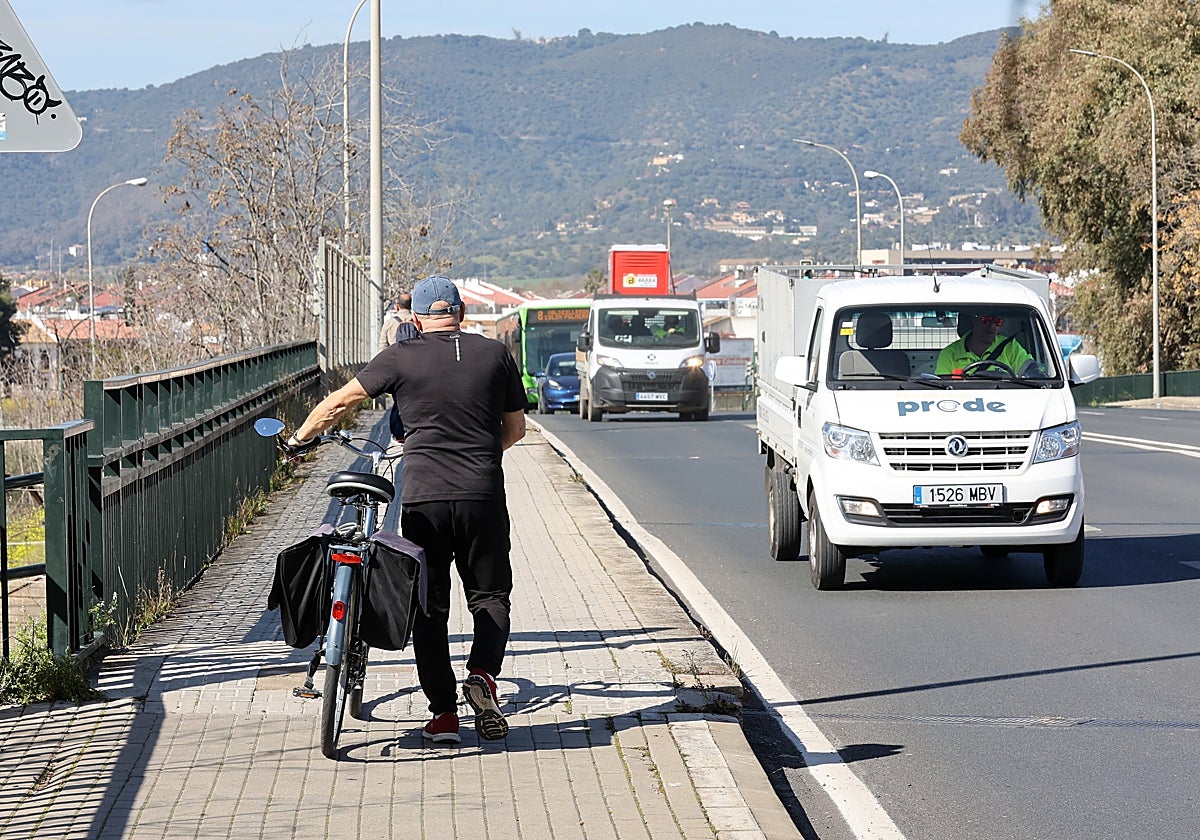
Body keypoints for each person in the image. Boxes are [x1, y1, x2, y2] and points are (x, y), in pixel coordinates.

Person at [285, 275, 527, 744]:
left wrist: (298, 440)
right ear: (461, 313)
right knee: (490, 596)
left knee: (429, 608)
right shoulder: (494, 354)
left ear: (415, 318)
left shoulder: (401, 356)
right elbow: (516, 428)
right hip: (482, 494)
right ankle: (483, 677)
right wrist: (479, 458)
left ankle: (443, 716)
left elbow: (339, 403)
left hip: (423, 498)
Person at [936, 311, 1033, 377]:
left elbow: (1031, 371)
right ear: (974, 321)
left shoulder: (1010, 347)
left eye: (997, 322)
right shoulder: (949, 354)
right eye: (986, 320)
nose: (992, 326)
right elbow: (943, 389)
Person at [378, 292, 416, 442]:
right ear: (411, 305)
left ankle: (399, 433)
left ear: (397, 306)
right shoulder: (417, 321)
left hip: (396, 368)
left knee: (398, 400)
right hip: (416, 367)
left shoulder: (390, 323)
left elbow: (382, 348)